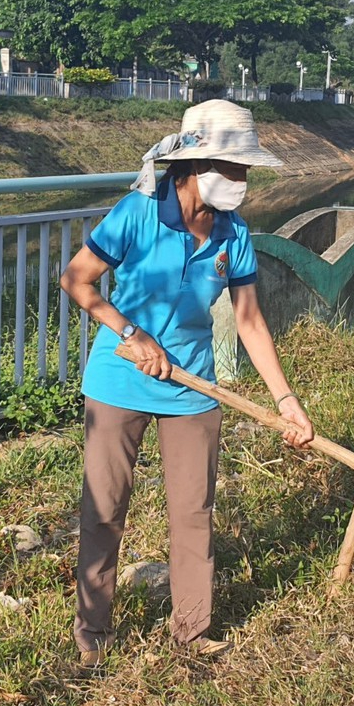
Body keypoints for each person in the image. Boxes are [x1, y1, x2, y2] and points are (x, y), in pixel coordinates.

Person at [58, 100, 315, 667]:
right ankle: (92, 634)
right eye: (232, 168)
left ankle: (193, 633)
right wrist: (131, 331)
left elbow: (249, 321)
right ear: (194, 164)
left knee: (194, 510)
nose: (241, 181)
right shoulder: (137, 213)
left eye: (245, 170)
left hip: (193, 386)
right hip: (120, 377)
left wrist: (287, 401)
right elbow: (76, 280)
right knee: (104, 507)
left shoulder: (233, 233)